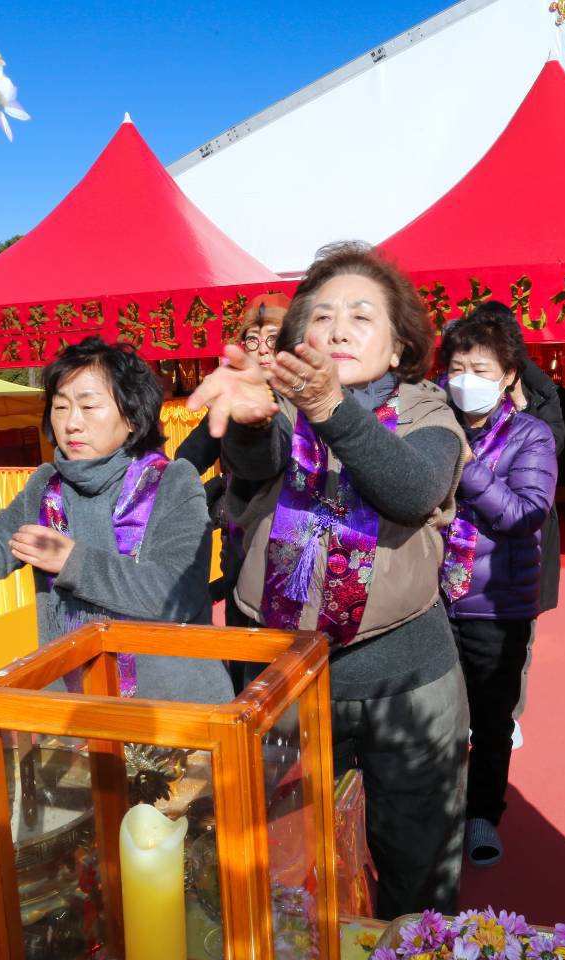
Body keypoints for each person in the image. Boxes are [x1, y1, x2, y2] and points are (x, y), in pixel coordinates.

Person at [189, 242, 469, 919]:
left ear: (399, 348)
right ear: (298, 340)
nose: (339, 328)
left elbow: (412, 489)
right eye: (321, 316)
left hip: (406, 679)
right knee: (290, 869)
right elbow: (255, 459)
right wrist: (254, 420)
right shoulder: (275, 409)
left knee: (416, 872)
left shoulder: (429, 414)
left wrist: (331, 407)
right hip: (285, 677)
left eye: (361, 316)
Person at [0, 337, 232, 703]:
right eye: (61, 407)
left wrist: (73, 561)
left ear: (132, 417)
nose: (72, 423)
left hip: (173, 705)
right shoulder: (46, 488)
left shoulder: (171, 482)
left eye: (89, 406)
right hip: (76, 704)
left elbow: (177, 595)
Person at [437, 309, 557, 868]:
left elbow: (524, 513)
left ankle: (483, 814)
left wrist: (466, 467)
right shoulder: (432, 422)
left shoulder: (531, 435)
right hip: (432, 601)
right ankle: (437, 809)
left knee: (490, 722)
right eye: (457, 368)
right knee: (434, 716)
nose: (466, 380)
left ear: (509, 375)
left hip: (496, 605)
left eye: (480, 369)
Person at [466, 303, 565, 750]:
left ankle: (510, 712)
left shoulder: (539, 389)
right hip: (461, 549)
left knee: (516, 636)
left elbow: (553, 445)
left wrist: (522, 404)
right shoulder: (450, 393)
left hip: (520, 534)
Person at [173, 293, 291, 621]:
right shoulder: (232, 399)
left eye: (273, 338)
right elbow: (187, 458)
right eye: (252, 339)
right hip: (241, 543)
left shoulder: (310, 398)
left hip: (296, 545)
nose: (263, 348)